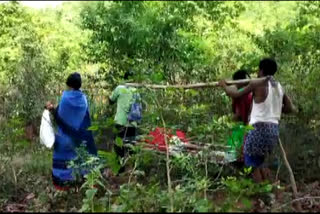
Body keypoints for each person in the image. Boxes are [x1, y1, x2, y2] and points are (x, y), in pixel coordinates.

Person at [219, 58, 297, 183]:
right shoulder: (279, 87)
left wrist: (224, 85)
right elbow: (290, 108)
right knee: (259, 161)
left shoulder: (257, 83)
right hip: (273, 129)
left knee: (251, 164)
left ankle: (261, 192)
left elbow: (235, 93)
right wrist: (272, 109)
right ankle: (268, 190)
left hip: (258, 128)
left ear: (260, 70)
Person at [46, 72, 97, 190]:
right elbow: (85, 118)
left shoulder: (65, 98)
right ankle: (86, 181)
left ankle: (64, 184)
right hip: (81, 137)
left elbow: (59, 117)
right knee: (83, 156)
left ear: (69, 85)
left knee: (63, 155)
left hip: (66, 138)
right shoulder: (83, 98)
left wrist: (51, 109)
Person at [109, 70, 141, 170]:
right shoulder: (136, 91)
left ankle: (120, 169)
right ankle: (131, 170)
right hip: (133, 123)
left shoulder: (119, 88)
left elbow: (111, 100)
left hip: (120, 122)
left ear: (124, 79)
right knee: (131, 146)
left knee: (118, 146)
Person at [223, 70, 253, 166]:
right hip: (255, 125)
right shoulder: (251, 92)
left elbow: (238, 115)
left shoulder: (240, 93)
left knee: (237, 153)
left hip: (247, 125)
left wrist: (229, 122)